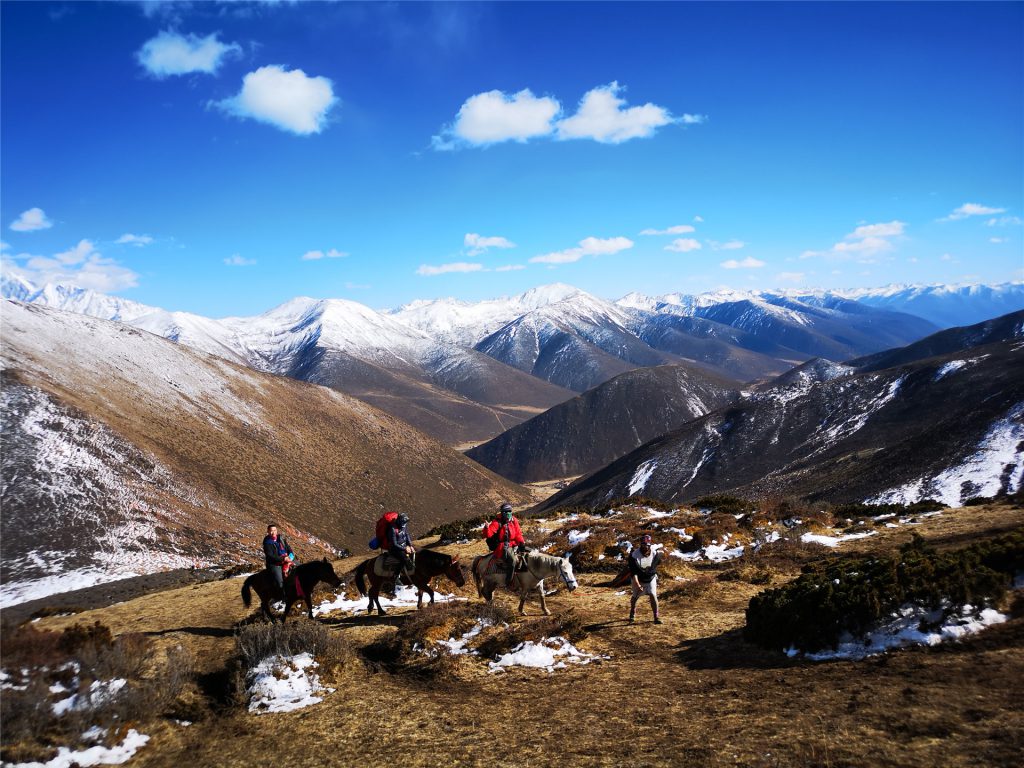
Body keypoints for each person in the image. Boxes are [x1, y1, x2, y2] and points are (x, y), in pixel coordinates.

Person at [483, 502, 526, 588]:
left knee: (528, 554)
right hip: (503, 546)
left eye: (509, 511)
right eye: (505, 512)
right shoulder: (497, 522)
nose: (507, 513)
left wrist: (522, 543)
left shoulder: (514, 520)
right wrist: (487, 528)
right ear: (502, 512)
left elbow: (518, 533)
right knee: (513, 561)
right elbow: (489, 534)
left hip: (514, 544)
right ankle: (508, 582)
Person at [629, 534, 662, 624]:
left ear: (650, 545)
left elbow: (655, 566)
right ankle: (632, 613)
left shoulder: (654, 554)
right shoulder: (634, 555)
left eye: (647, 545)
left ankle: (656, 616)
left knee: (653, 595)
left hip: (650, 577)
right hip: (638, 578)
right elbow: (634, 572)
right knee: (635, 597)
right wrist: (638, 584)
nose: (645, 547)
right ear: (641, 545)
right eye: (643, 545)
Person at [262, 524, 295, 602]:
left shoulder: (281, 538)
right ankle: (283, 598)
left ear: (277, 531)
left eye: (274, 530)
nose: (273, 532)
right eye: (271, 531)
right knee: (280, 581)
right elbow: (270, 556)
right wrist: (283, 558)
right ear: (268, 532)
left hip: (287, 558)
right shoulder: (267, 543)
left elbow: (288, 548)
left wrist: (290, 555)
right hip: (275, 563)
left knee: (301, 569)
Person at [386, 512, 416, 581]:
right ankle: (395, 576)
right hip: (394, 549)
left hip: (404, 546)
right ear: (399, 521)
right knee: (404, 559)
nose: (404, 525)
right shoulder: (392, 529)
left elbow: (406, 534)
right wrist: (405, 548)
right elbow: (394, 544)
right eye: (403, 523)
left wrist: (410, 545)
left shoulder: (403, 525)